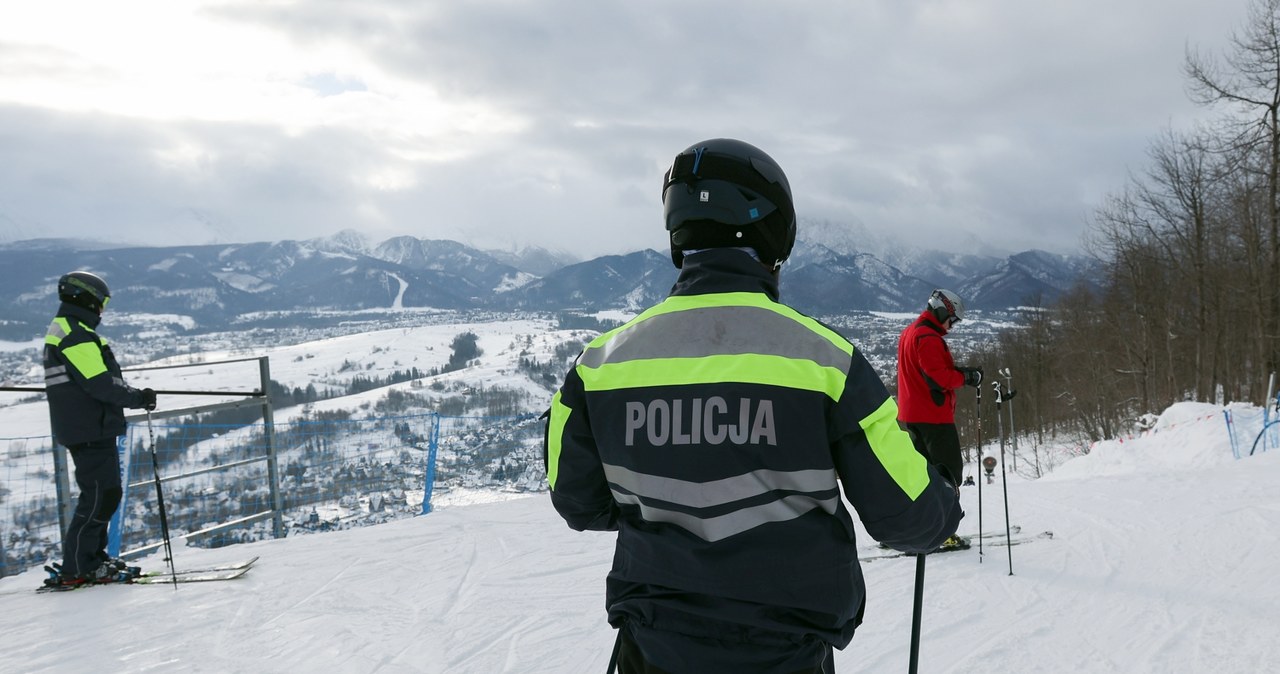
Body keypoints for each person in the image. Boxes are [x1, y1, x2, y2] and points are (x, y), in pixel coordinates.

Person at [544, 139, 962, 673]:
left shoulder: (597, 366)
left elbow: (579, 502)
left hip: (649, 649)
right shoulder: (826, 362)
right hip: (784, 651)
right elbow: (911, 519)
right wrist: (944, 496)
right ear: (775, 234)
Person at [42, 271, 155, 587]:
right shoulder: (75, 335)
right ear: (87, 299)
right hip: (89, 429)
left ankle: (91, 558)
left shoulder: (70, 329)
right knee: (99, 496)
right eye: (101, 303)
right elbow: (100, 384)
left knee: (104, 494)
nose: (102, 310)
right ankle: (79, 566)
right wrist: (138, 397)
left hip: (89, 426)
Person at [895, 288, 982, 548]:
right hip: (932, 417)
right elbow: (937, 377)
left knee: (921, 476)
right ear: (942, 310)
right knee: (948, 475)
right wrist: (966, 377)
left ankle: (910, 529)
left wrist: (959, 371)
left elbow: (927, 372)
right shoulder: (928, 336)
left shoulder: (910, 332)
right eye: (952, 319)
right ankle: (941, 533)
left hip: (912, 415)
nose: (952, 326)